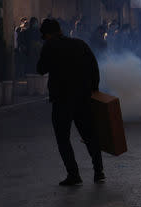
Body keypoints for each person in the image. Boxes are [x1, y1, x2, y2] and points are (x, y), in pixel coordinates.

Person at [37, 19, 105, 186]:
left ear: (47, 34)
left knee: (63, 139)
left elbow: (40, 69)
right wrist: (94, 89)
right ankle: (99, 171)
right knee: (90, 135)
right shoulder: (80, 44)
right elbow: (94, 67)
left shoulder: (49, 46)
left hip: (61, 100)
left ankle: (73, 174)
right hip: (83, 98)